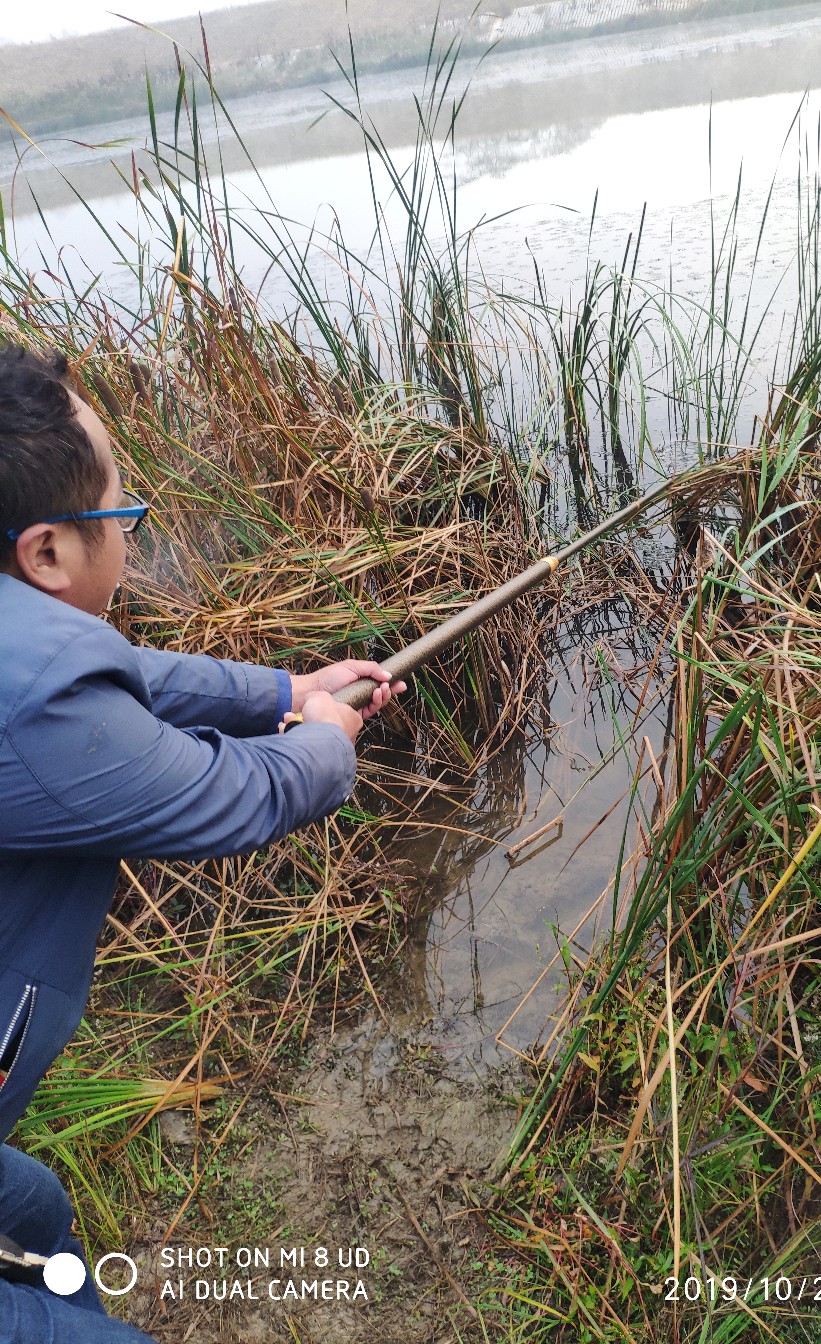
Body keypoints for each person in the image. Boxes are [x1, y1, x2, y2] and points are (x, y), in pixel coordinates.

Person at [0, 341, 403, 1341]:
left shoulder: (29, 645)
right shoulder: (36, 706)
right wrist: (323, 744)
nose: (131, 541)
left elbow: (115, 680)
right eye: (122, 519)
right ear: (46, 551)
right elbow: (239, 798)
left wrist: (284, 693)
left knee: (31, 1209)